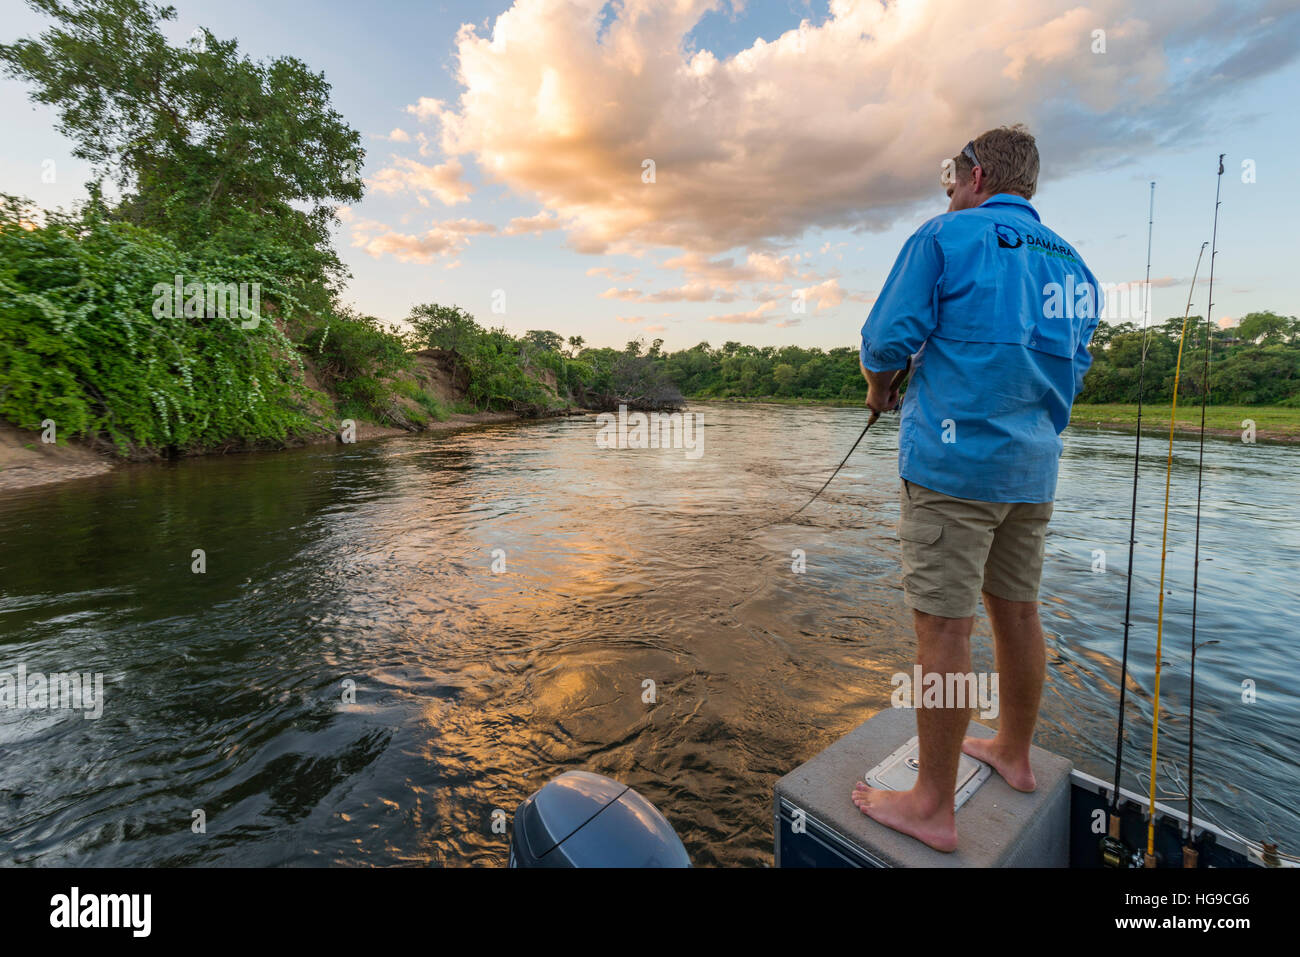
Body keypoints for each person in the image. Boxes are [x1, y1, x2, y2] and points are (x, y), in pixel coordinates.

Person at [851, 124, 1102, 852]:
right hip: (1031, 469)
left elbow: (883, 340)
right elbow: (1073, 365)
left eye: (952, 178)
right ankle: (1014, 752)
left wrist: (879, 389)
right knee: (1017, 610)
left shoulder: (944, 236)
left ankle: (931, 804)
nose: (950, 191)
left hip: (953, 471)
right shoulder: (1076, 267)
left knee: (943, 628)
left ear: (977, 173)